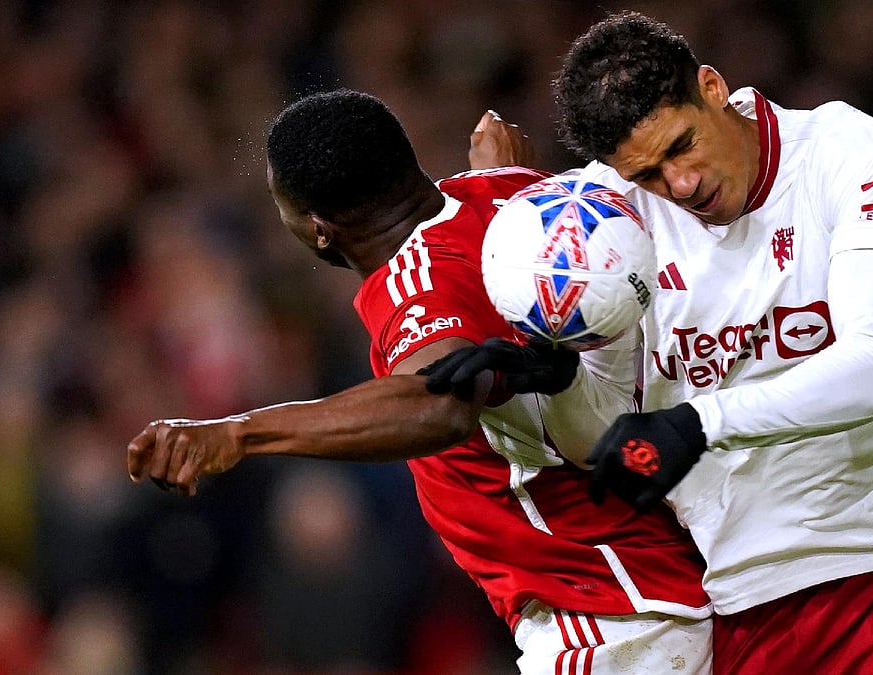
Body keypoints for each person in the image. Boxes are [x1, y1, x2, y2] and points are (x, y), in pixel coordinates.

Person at [437, 10, 873, 674]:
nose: (681, 185)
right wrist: (562, 383)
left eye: (682, 146)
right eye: (648, 175)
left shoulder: (846, 150)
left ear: (711, 87)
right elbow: (612, 437)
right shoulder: (607, 222)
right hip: (740, 604)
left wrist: (701, 420)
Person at [124, 89, 713, 674]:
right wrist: (504, 175)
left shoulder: (415, 284)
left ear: (319, 229)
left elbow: (436, 406)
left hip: (606, 614)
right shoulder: (513, 199)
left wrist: (240, 432)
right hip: (652, 587)